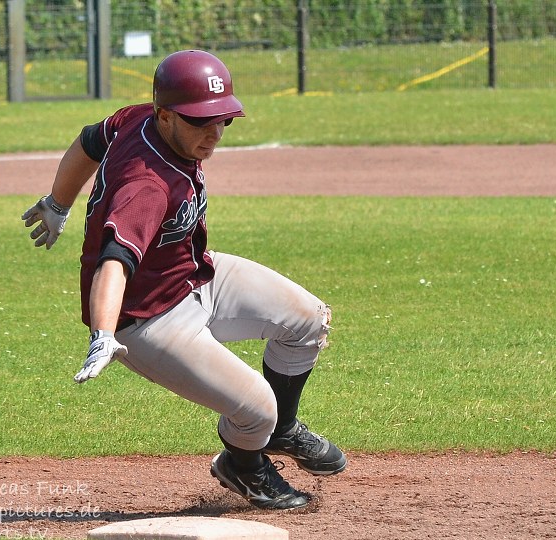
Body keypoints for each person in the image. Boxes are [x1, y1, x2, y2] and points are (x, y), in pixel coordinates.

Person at [22, 50, 346, 510]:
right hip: (148, 320)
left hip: (193, 274)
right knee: (256, 410)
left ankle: (282, 431)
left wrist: (57, 203)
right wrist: (103, 334)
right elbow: (113, 263)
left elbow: (88, 142)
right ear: (165, 115)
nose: (213, 133)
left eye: (222, 121)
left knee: (307, 320)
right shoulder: (146, 186)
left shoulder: (134, 120)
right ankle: (245, 466)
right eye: (200, 122)